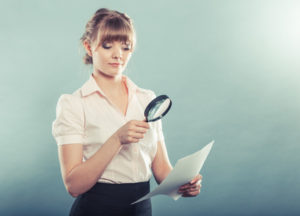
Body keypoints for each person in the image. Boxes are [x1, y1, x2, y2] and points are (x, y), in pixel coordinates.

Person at [52, 8, 202, 216]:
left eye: (125, 47)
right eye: (107, 46)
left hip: (140, 210)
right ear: (89, 47)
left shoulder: (147, 99)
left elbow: (162, 171)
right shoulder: (73, 104)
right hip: (95, 209)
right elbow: (74, 186)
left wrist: (184, 186)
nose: (117, 55)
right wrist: (117, 139)